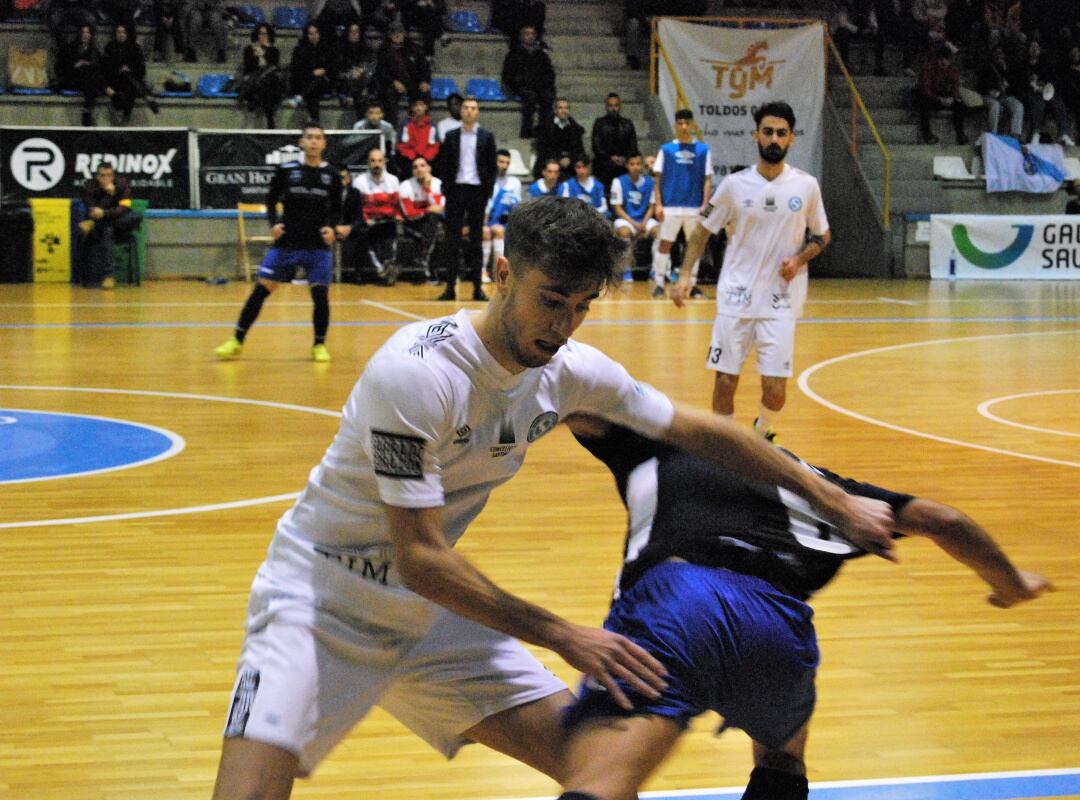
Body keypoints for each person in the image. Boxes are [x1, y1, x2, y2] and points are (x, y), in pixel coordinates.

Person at [209, 194, 896, 800]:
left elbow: (701, 431)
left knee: (591, 768)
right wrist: (565, 635)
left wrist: (833, 502)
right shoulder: (416, 375)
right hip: (319, 600)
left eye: (582, 307)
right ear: (502, 275)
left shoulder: (566, 373)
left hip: (429, 614)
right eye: (551, 299)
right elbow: (419, 556)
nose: (564, 325)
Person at [555, 415, 1053, 800]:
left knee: (603, 778)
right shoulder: (830, 490)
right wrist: (1011, 584)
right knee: (782, 760)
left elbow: (573, 397)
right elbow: (945, 520)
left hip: (680, 601)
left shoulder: (666, 442)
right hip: (777, 624)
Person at [671, 101, 829, 443]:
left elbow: (822, 235)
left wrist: (799, 259)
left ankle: (760, 433)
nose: (774, 139)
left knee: (775, 391)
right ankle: (725, 446)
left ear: (791, 139)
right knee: (725, 381)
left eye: (781, 133)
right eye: (768, 132)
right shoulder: (734, 185)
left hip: (781, 300)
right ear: (756, 135)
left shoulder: (806, 186)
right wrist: (685, 276)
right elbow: (701, 231)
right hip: (736, 297)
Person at [214, 123, 341, 363]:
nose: (313, 142)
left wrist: (332, 229)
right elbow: (271, 199)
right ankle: (236, 340)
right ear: (301, 142)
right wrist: (273, 222)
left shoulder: (332, 175)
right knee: (260, 291)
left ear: (324, 144)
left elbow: (336, 208)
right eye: (309, 137)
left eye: (318, 138)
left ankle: (319, 345)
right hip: (287, 244)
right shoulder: (286, 170)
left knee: (320, 297)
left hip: (317, 246)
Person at [432, 95, 496, 302]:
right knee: (453, 241)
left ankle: (477, 288)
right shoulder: (451, 136)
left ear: (478, 112)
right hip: (456, 190)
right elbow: (443, 164)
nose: (469, 111)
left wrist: (487, 191)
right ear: (461, 111)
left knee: (476, 241)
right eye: (466, 107)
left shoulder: (487, 136)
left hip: (477, 191)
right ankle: (450, 288)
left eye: (473, 108)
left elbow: (491, 167)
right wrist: (446, 188)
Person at [651, 108, 711, 299]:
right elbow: (657, 178)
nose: (684, 127)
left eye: (687, 123)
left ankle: (691, 284)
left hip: (694, 206)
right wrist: (658, 204)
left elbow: (707, 179)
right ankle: (659, 283)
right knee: (665, 244)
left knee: (694, 245)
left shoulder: (703, 150)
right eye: (680, 123)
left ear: (692, 125)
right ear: (676, 125)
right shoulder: (667, 149)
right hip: (670, 205)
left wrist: (705, 204)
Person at [76, 162, 142, 289]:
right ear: (97, 177)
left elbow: (125, 208)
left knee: (136, 215)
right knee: (107, 229)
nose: (106, 179)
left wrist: (105, 213)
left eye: (109, 175)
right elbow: (93, 212)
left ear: (113, 176)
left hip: (122, 224)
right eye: (102, 175)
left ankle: (95, 224)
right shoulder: (89, 186)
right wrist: (109, 196)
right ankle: (109, 276)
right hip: (103, 229)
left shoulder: (122, 185)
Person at [352, 147, 403, 284]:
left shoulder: (393, 180)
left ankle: (388, 267)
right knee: (364, 234)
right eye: (373, 161)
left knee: (390, 231)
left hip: (387, 221)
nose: (376, 164)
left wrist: (395, 215)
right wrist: (367, 219)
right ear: (368, 163)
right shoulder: (359, 182)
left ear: (384, 162)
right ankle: (382, 270)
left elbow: (396, 205)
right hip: (367, 221)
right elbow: (357, 207)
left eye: (379, 161)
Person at [500, 24, 556, 138]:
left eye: (532, 34)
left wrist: (544, 83)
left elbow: (550, 74)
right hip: (521, 87)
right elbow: (507, 76)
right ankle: (526, 132)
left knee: (548, 96)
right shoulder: (513, 55)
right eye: (527, 34)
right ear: (521, 37)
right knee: (530, 97)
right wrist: (520, 82)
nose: (530, 36)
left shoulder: (542, 55)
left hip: (539, 87)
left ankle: (545, 131)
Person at [375, 19, 432, 128]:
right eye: (394, 32)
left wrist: (424, 81)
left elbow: (425, 68)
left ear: (404, 34)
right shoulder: (383, 50)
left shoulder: (415, 48)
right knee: (388, 94)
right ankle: (391, 129)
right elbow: (381, 70)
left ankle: (420, 127)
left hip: (413, 82)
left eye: (399, 32)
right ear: (389, 35)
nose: (397, 35)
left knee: (424, 93)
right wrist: (393, 82)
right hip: (392, 83)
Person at [609, 152, 658, 279]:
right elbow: (617, 208)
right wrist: (635, 224)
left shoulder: (651, 182)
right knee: (624, 232)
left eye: (638, 164)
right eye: (632, 164)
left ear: (642, 166)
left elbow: (652, 207)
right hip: (625, 219)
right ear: (627, 166)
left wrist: (643, 224)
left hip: (645, 219)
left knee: (659, 232)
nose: (635, 167)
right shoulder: (618, 182)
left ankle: (657, 270)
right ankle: (626, 270)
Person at [102, 22, 160, 123]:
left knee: (130, 86)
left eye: (123, 32)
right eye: (118, 32)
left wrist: (129, 69)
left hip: (130, 81)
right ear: (115, 33)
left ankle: (125, 116)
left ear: (127, 34)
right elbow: (105, 69)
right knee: (129, 81)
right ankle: (146, 96)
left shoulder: (134, 48)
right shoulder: (110, 47)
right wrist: (119, 70)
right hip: (115, 80)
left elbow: (141, 69)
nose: (121, 34)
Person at [398, 155, 445, 279]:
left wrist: (428, 188)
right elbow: (409, 214)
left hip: (433, 223)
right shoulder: (405, 186)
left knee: (435, 223)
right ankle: (431, 270)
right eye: (415, 167)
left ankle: (425, 254)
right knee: (434, 225)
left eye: (422, 166)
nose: (419, 169)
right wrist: (427, 210)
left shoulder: (438, 184)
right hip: (413, 225)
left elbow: (441, 209)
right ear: (412, 171)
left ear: (429, 168)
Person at [913, 43, 969, 145]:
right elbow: (925, 88)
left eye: (946, 60)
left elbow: (956, 86)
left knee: (960, 105)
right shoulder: (929, 68)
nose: (943, 62)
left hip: (945, 96)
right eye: (941, 60)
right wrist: (939, 99)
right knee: (923, 103)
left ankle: (960, 134)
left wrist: (953, 98)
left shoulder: (953, 69)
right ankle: (927, 134)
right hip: (931, 97)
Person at [482, 148, 523, 282]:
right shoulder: (486, 181)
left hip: (505, 221)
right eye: (501, 162)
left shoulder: (514, 183)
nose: (504, 165)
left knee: (500, 231)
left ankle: (499, 273)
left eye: (507, 163)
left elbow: (516, 205)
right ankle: (483, 271)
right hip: (487, 220)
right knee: (486, 232)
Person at [238, 23, 285, 129]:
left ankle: (257, 101)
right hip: (254, 79)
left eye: (265, 34)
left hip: (269, 82)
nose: (262, 36)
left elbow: (273, 67)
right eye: (260, 34)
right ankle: (270, 119)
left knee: (268, 81)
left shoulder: (274, 51)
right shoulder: (249, 50)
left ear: (269, 36)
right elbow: (248, 68)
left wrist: (263, 55)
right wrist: (257, 56)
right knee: (265, 85)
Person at [56, 23, 103, 127]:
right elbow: (62, 67)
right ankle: (87, 110)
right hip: (73, 78)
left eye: (87, 32)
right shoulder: (71, 48)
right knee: (92, 81)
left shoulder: (94, 50)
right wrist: (76, 64)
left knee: (91, 76)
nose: (85, 35)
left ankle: (87, 110)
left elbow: (99, 67)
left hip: (87, 80)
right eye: (83, 32)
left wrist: (87, 64)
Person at [591, 93, 639, 194]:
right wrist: (610, 158)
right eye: (611, 105)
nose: (613, 108)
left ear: (620, 106)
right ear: (606, 107)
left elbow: (633, 146)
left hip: (624, 164)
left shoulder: (627, 124)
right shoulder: (599, 123)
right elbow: (596, 146)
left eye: (616, 105)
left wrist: (624, 158)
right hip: (604, 164)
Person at [289, 23, 335, 124]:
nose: (313, 36)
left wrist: (324, 71)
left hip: (324, 82)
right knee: (312, 93)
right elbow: (297, 69)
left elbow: (333, 68)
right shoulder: (299, 50)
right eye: (310, 34)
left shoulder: (328, 49)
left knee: (318, 81)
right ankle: (315, 120)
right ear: (306, 35)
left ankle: (300, 96)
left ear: (319, 34)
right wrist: (312, 73)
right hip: (306, 81)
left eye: (315, 33)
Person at [978, 44, 1025, 138]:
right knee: (996, 106)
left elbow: (1014, 86)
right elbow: (981, 85)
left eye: (1001, 53)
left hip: (1004, 96)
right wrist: (991, 91)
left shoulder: (1008, 67)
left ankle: (1015, 135)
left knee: (1018, 106)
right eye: (997, 53)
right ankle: (993, 135)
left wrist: (1005, 70)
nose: (999, 55)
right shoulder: (987, 67)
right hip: (989, 95)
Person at [533, 97, 585, 180]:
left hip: (570, 165)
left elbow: (579, 150)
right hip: (549, 161)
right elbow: (542, 149)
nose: (564, 111)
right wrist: (558, 160)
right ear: (555, 110)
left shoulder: (576, 129)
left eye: (566, 108)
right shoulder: (545, 127)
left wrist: (569, 158)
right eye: (560, 108)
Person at [334, 21, 379, 116]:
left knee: (365, 80)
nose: (354, 34)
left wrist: (361, 70)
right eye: (352, 31)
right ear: (347, 33)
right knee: (362, 94)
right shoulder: (340, 49)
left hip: (364, 81)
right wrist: (350, 73)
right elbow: (338, 70)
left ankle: (351, 95)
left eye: (356, 31)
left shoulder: (368, 48)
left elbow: (372, 66)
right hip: (347, 82)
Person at [395, 96, 440, 179]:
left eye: (421, 105)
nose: (418, 108)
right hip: (409, 162)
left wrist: (423, 160)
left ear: (426, 107)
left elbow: (434, 146)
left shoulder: (432, 126)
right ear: (412, 107)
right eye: (415, 105)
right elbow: (401, 146)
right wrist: (414, 159)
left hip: (427, 162)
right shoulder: (405, 125)